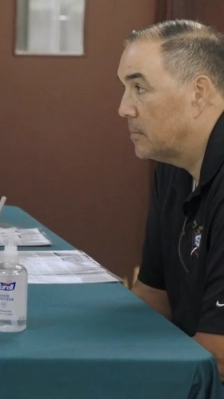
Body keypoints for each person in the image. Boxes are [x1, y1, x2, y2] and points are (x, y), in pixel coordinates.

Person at [118, 19, 224, 379]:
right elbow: (154, 297)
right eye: (124, 88)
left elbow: (218, 358)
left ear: (198, 93)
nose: (124, 108)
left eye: (139, 88)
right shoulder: (173, 163)